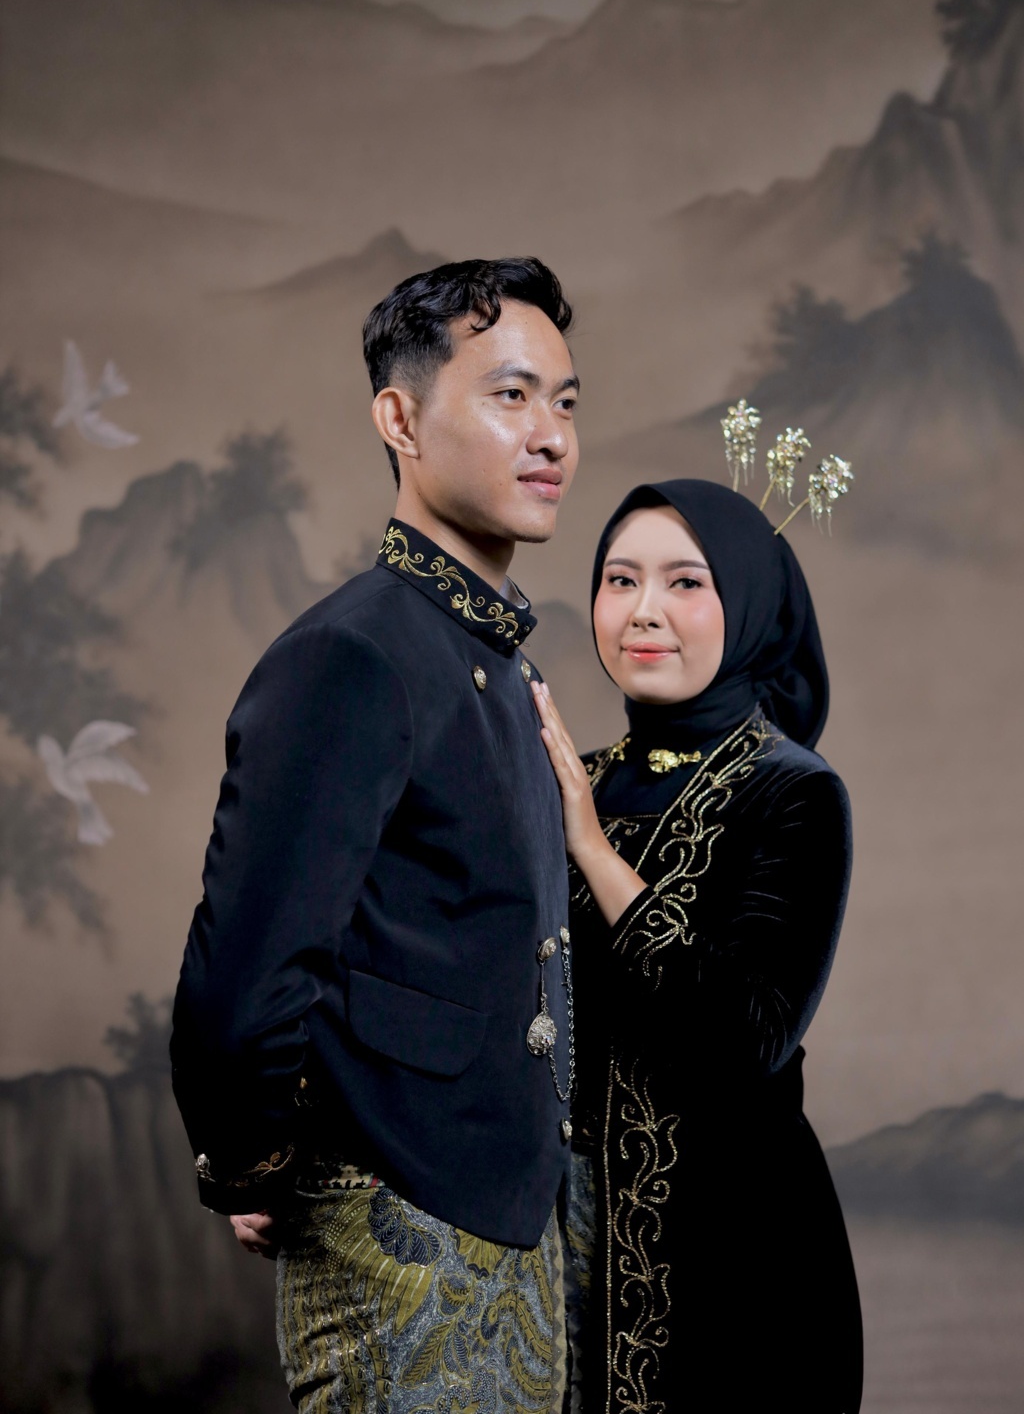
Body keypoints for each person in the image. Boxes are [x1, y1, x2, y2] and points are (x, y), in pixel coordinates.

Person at [171, 257, 582, 1411]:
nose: (550, 435)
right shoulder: (351, 655)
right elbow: (243, 976)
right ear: (399, 420)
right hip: (397, 1242)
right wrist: (250, 1164)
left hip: (519, 1240)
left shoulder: (500, 661)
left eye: (564, 401)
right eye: (510, 395)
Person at [531, 478, 863, 1413]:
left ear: (748, 605)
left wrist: (593, 851)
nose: (644, 611)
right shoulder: (572, 778)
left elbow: (749, 1034)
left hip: (737, 1271)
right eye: (620, 580)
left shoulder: (793, 792)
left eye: (685, 582)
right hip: (565, 1258)